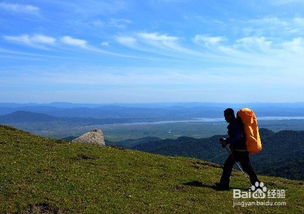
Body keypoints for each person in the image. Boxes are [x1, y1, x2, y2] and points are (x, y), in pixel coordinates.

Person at [215, 108, 259, 190]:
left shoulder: (234, 124)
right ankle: (257, 186)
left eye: (225, 117)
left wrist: (226, 141)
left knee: (229, 165)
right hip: (241, 150)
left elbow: (237, 137)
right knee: (246, 168)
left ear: (230, 115)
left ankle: (224, 185)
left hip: (239, 151)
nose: (225, 119)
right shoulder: (237, 123)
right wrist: (227, 141)